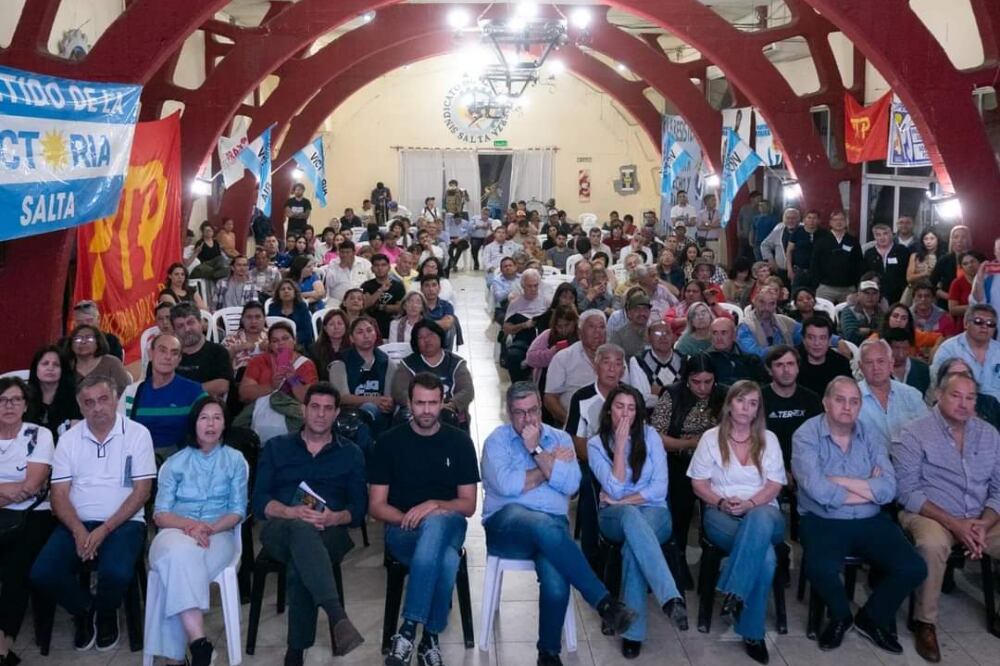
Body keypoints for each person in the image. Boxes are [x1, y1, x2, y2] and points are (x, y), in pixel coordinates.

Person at [480, 383, 640, 665]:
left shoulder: (560, 439)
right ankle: (603, 601)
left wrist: (538, 454)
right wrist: (547, 462)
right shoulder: (497, 441)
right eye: (519, 413)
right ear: (508, 412)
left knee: (555, 579)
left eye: (532, 411)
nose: (527, 419)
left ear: (541, 409)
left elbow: (570, 484)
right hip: (506, 525)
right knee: (543, 524)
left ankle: (548, 653)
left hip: (552, 532)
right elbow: (507, 486)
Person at [792, 376, 926, 654]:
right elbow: (817, 490)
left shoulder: (871, 434)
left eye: (854, 401)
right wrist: (867, 486)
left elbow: (888, 489)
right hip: (822, 520)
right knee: (819, 567)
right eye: (840, 400)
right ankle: (841, 616)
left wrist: (838, 481)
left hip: (870, 519)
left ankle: (871, 618)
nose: (847, 407)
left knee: (914, 567)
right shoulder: (806, 435)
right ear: (826, 403)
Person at [30, 375, 156, 652]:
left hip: (123, 522)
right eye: (89, 403)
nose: (97, 408)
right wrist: (79, 531)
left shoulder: (137, 433)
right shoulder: (68, 440)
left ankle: (107, 613)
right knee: (42, 573)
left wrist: (104, 530)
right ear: (80, 406)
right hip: (76, 521)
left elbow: (141, 492)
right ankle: (86, 608)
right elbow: (59, 495)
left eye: (103, 400)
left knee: (117, 573)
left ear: (115, 400)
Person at [369, 373, 480, 666]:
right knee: (446, 561)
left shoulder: (459, 442)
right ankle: (429, 638)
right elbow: (377, 506)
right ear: (409, 403)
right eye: (420, 403)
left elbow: (468, 506)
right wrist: (410, 518)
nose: (427, 410)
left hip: (451, 524)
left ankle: (406, 630)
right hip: (403, 530)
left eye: (433, 403)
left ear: (443, 402)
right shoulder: (388, 443)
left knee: (439, 520)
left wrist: (432, 505)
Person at [252, 383, 367, 665]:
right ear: (303, 410)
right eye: (315, 407)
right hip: (281, 527)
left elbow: (359, 509)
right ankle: (337, 615)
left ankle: (296, 651)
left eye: (328, 409)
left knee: (301, 556)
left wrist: (334, 517)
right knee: (300, 530)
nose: (320, 414)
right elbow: (258, 502)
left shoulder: (350, 453)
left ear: (337, 413)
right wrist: (291, 512)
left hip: (331, 531)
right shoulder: (277, 448)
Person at [892, 371, 1000, 661]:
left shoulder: (989, 434)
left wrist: (985, 522)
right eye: (956, 395)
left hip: (980, 517)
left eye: (971, 397)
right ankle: (925, 622)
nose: (964, 404)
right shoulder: (914, 432)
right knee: (932, 545)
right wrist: (956, 524)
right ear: (939, 395)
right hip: (930, 512)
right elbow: (907, 492)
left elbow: (999, 488)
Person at [689, 380, 788, 664]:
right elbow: (698, 484)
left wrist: (750, 503)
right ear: (730, 404)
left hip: (765, 513)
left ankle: (734, 590)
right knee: (766, 558)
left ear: (759, 409)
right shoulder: (711, 438)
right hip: (721, 514)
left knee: (759, 517)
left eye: (753, 403)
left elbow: (774, 485)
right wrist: (720, 502)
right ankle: (752, 632)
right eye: (741, 401)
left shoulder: (769, 439)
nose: (746, 408)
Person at [144, 396, 246, 666]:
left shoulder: (235, 460)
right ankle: (199, 642)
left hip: (218, 535)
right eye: (204, 417)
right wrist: (189, 526)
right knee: (178, 555)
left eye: (217, 417)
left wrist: (208, 528)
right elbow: (161, 514)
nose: (210, 424)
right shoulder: (175, 462)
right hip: (175, 531)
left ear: (225, 424)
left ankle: (175, 659)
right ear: (194, 423)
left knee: (174, 569)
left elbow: (237, 511)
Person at [589, 384, 688, 658]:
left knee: (634, 546)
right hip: (613, 518)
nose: (626, 413)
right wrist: (619, 448)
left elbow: (659, 490)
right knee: (631, 519)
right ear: (609, 410)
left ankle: (632, 631)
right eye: (620, 407)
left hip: (655, 513)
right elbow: (617, 486)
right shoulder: (596, 444)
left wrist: (622, 499)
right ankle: (670, 598)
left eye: (632, 408)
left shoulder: (652, 436)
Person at [650, 354, 727, 585]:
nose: (703, 388)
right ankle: (677, 558)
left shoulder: (724, 394)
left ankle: (715, 560)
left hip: (716, 462)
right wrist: (691, 444)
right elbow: (656, 436)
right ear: (686, 379)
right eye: (696, 382)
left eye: (708, 381)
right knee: (680, 505)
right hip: (679, 459)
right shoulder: (672, 394)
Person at [0, 377, 55, 666]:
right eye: (2, 400)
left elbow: (33, 485)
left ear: (25, 405)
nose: (8, 405)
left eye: (15, 400)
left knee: (15, 567)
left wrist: (13, 490)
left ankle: (2, 645)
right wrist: (12, 490)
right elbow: (21, 487)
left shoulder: (39, 435)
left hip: (33, 514)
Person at [565, 344, 628, 571]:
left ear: (623, 369)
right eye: (606, 362)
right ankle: (592, 556)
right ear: (595, 365)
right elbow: (577, 441)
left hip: (626, 462)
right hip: (591, 462)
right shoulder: (582, 397)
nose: (612, 369)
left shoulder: (630, 397)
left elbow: (640, 438)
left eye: (617, 364)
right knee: (589, 483)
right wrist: (603, 463)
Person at [120, 333, 205, 455]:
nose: (168, 357)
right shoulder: (133, 392)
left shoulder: (194, 391)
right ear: (151, 353)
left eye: (174, 353)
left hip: (181, 462)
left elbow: (209, 428)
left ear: (179, 359)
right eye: (162, 351)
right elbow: (120, 433)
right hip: (139, 460)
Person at [390, 319, 474, 427]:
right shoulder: (407, 364)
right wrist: (417, 406)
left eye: (430, 335)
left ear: (440, 336)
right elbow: (399, 391)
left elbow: (467, 390)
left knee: (448, 418)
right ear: (416, 343)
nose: (427, 340)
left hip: (448, 408)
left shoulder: (456, 363)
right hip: (415, 411)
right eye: (421, 337)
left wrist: (452, 405)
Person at [328, 316, 395, 439]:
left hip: (380, 413)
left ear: (375, 334)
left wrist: (388, 403)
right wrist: (374, 400)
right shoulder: (340, 362)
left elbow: (388, 397)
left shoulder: (387, 362)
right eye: (360, 332)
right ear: (352, 338)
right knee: (368, 408)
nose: (366, 335)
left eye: (369, 330)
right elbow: (342, 398)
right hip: (349, 415)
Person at [762, 345, 823, 470]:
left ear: (797, 368)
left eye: (790, 364)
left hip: (807, 467)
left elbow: (820, 439)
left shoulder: (812, 399)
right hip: (768, 467)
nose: (786, 370)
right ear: (769, 370)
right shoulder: (758, 399)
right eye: (779, 365)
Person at [543, 310, 607, 426]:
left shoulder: (616, 358)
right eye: (591, 327)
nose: (598, 332)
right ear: (579, 332)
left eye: (602, 327)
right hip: (572, 424)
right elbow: (550, 398)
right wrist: (573, 422)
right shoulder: (563, 358)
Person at [931, 304, 1000, 401]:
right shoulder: (949, 349)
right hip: (961, 406)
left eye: (990, 323)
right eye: (978, 321)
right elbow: (938, 384)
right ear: (966, 324)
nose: (985, 326)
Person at [240, 321, 318, 406]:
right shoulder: (258, 361)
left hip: (294, 413)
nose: (281, 343)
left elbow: (311, 401)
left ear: (294, 340)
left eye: (285, 338)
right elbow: (244, 394)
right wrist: (272, 386)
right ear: (270, 345)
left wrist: (293, 380)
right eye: (275, 341)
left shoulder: (306, 364)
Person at [171, 303, 234, 399]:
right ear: (174, 331)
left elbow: (222, 385)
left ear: (200, 323)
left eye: (191, 322)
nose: (187, 329)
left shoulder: (218, 352)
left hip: (205, 407)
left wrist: (185, 391)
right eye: (180, 326)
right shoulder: (170, 356)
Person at [27, 345, 81, 438]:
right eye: (45, 363)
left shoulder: (75, 397)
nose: (50, 368)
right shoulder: (24, 397)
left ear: (62, 370)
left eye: (56, 365)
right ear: (36, 368)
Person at [63, 323, 131, 396]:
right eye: (78, 339)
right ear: (71, 344)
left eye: (89, 338)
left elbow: (125, 393)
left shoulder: (111, 363)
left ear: (98, 342)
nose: (83, 342)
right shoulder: (66, 366)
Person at [811, 211, 863, 304]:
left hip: (848, 289)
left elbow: (859, 264)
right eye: (835, 219)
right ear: (830, 222)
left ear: (846, 222)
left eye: (842, 219)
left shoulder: (853, 241)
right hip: (825, 288)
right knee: (823, 316)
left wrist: (856, 285)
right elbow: (814, 263)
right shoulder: (821, 241)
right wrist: (816, 285)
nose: (839, 222)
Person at [737, 286, 802, 358]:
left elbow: (805, 335)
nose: (766, 308)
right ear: (754, 302)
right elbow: (753, 354)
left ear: (776, 305)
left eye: (771, 303)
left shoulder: (786, 321)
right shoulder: (745, 326)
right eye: (762, 302)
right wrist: (783, 352)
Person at [796, 316, 852, 398]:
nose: (817, 343)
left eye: (822, 338)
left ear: (829, 341)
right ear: (803, 339)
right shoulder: (791, 363)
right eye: (811, 338)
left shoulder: (841, 363)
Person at [707, 317, 767, 385]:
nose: (719, 338)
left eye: (724, 332)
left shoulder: (751, 360)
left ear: (734, 335)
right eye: (715, 333)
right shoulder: (705, 360)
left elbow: (763, 385)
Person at [863, 222, 911, 304]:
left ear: (891, 234)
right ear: (874, 237)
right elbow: (864, 275)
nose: (882, 237)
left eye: (885, 234)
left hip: (899, 295)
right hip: (875, 296)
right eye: (878, 235)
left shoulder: (902, 251)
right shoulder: (869, 253)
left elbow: (907, 273)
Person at [362, 253, 406, 338]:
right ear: (372, 269)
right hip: (370, 328)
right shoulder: (366, 285)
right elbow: (365, 305)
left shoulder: (398, 285)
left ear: (389, 268)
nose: (380, 268)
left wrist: (380, 307)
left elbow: (400, 308)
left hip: (392, 328)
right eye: (376, 265)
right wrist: (381, 290)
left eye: (383, 265)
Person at [221, 301, 269, 374]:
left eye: (258, 317)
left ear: (264, 318)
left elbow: (287, 358)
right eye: (249, 317)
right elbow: (219, 363)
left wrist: (272, 348)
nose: (253, 321)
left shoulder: (273, 336)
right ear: (242, 319)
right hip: (240, 381)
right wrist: (235, 349)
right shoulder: (231, 339)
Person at [930, 224, 971, 308]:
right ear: (951, 240)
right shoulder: (944, 260)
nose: (959, 240)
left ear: (968, 240)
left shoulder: (977, 258)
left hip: (970, 304)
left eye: (963, 237)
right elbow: (931, 284)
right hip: (946, 305)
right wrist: (950, 297)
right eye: (956, 237)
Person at [268, 279, 316, 347]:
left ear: (295, 292)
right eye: (282, 289)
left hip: (299, 344)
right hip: (277, 344)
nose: (286, 291)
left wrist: (290, 341)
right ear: (278, 293)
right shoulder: (273, 308)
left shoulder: (302, 307)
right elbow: (269, 328)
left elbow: (307, 332)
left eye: (289, 289)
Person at [882, 328, 931, 395]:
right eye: (896, 348)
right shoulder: (878, 370)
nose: (901, 354)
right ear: (887, 348)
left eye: (905, 348)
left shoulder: (922, 369)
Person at [324, 240, 374, 305]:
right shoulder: (333, 263)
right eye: (342, 252)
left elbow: (372, 281)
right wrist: (340, 268)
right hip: (337, 301)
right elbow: (329, 284)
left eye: (347, 252)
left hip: (361, 301)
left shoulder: (365, 263)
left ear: (354, 253)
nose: (344, 255)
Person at [839, 279, 886, 343]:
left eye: (874, 293)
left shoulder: (882, 312)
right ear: (858, 294)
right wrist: (873, 332)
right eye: (866, 293)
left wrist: (866, 331)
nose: (870, 296)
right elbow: (851, 336)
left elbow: (885, 334)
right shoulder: (849, 311)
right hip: (851, 349)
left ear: (878, 296)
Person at [310, 309, 350, 382]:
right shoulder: (314, 350)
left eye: (340, 323)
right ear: (325, 328)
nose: (336, 327)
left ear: (346, 326)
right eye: (331, 324)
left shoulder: (354, 348)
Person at [609, 291, 652, 359]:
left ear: (649, 312)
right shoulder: (618, 336)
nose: (642, 313)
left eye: (645, 309)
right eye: (637, 310)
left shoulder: (654, 333)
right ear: (629, 313)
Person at [906, 229, 943, 299]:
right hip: (915, 290)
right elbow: (909, 278)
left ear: (938, 240)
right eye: (925, 239)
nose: (928, 242)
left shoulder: (943, 257)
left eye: (932, 238)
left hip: (935, 292)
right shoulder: (915, 256)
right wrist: (924, 274)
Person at [948, 251, 981, 323]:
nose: (970, 265)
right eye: (965, 264)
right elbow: (952, 309)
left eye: (972, 261)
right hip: (965, 325)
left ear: (979, 262)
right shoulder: (957, 283)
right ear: (961, 267)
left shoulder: (988, 280)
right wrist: (976, 307)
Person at [970, 236, 1000, 309]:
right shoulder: (985, 273)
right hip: (994, 318)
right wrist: (979, 279)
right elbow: (976, 303)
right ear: (995, 252)